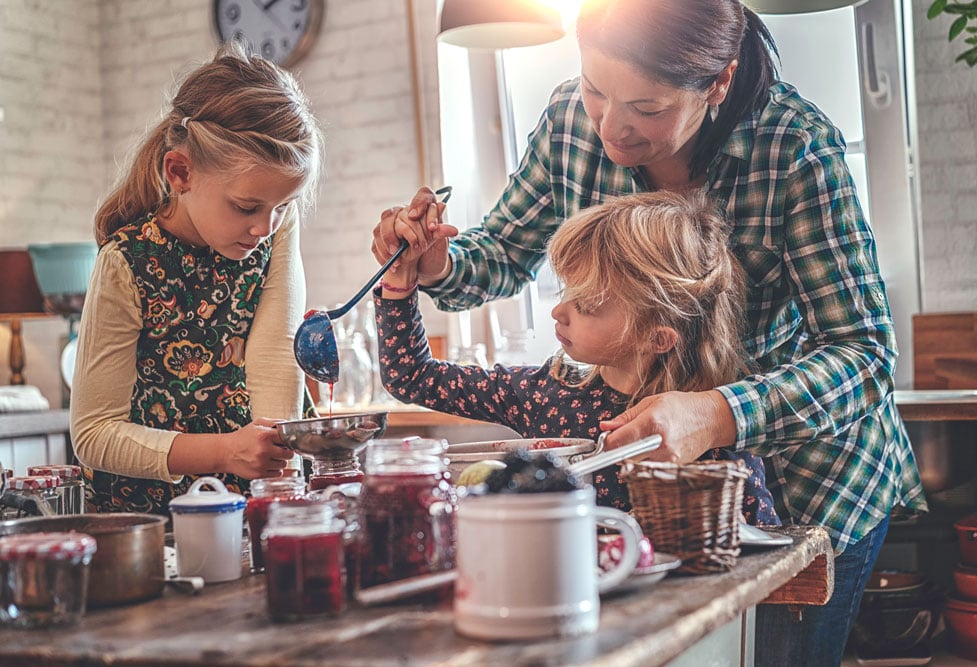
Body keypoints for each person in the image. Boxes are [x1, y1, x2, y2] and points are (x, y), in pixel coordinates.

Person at [371, 1, 925, 664]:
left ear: (717, 82)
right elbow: (498, 252)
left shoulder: (794, 146)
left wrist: (720, 413)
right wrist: (436, 263)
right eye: (596, 89)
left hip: (810, 484)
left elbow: (863, 356)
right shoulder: (568, 124)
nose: (613, 127)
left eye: (648, 108)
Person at [376, 190, 779, 527]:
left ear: (656, 337)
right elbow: (410, 376)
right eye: (566, 290)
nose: (558, 311)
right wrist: (400, 280)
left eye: (585, 304)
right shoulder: (543, 393)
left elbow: (760, 555)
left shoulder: (706, 433)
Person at [70, 42, 322, 517]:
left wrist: (277, 489)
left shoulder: (270, 227)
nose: (264, 228)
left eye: (282, 207)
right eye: (247, 207)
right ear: (180, 172)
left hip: (256, 503)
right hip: (152, 520)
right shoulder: (126, 262)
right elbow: (94, 435)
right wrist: (225, 451)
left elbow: (273, 361)